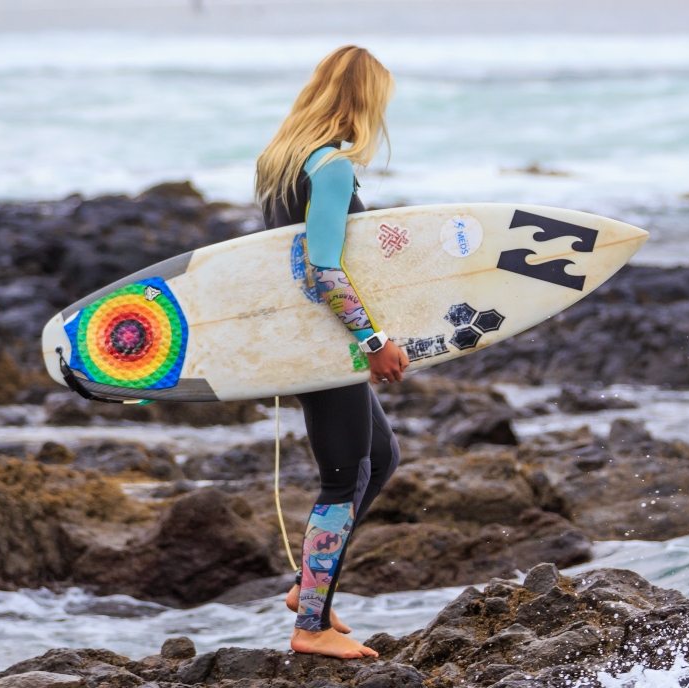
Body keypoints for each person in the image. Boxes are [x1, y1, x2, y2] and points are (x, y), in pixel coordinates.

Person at [255, 45, 409, 659]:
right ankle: (311, 628)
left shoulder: (282, 161)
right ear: (364, 101)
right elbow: (322, 268)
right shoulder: (332, 167)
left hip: (308, 334)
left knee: (381, 454)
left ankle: (308, 589)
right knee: (344, 477)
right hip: (327, 340)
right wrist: (373, 341)